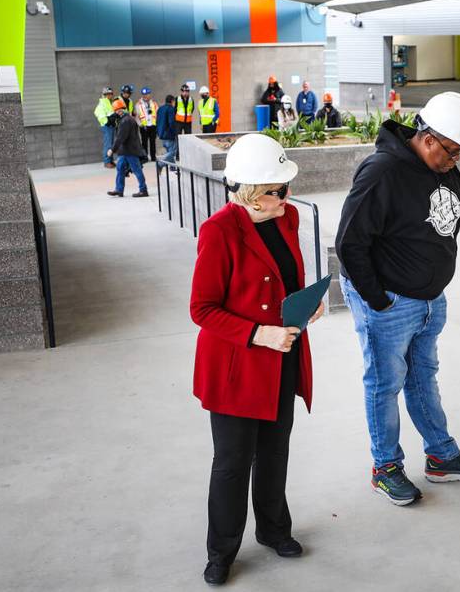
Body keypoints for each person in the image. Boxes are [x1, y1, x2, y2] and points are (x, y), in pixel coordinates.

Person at [335, 91, 460, 507]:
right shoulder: (381, 172)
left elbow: (445, 225)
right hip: (389, 303)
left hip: (429, 300)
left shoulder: (442, 167)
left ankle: (441, 456)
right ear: (427, 139)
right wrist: (378, 300)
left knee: (423, 377)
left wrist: (432, 278)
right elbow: (350, 243)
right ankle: (385, 467)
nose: (456, 160)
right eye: (452, 151)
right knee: (384, 384)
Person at [190, 133, 323, 586]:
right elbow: (202, 309)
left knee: (274, 453)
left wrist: (308, 305)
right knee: (231, 462)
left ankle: (273, 530)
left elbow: (284, 283)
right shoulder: (219, 231)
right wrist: (257, 333)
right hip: (237, 367)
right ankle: (221, 551)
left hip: (281, 359)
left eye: (286, 187)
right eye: (277, 190)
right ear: (250, 192)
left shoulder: (286, 220)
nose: (286, 195)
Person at [106, 99, 149, 198]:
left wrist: (112, 150)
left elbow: (120, 137)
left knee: (137, 170)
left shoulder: (126, 121)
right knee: (120, 168)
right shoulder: (126, 119)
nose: (116, 112)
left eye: (116, 110)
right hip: (125, 150)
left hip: (130, 150)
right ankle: (119, 190)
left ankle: (143, 190)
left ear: (120, 110)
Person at [94, 86, 117, 169]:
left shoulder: (108, 102)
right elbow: (97, 112)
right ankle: (107, 161)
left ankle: (110, 160)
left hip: (111, 125)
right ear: (105, 95)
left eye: (111, 94)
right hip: (107, 126)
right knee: (108, 144)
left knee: (110, 144)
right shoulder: (103, 102)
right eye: (108, 94)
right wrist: (106, 121)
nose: (110, 95)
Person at [136, 86, 158, 162]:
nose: (145, 96)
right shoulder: (138, 104)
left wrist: (156, 124)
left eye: (147, 94)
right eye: (144, 94)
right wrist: (140, 124)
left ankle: (153, 157)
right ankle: (145, 157)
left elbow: (157, 114)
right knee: (144, 143)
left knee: (153, 142)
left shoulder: (154, 103)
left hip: (152, 125)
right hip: (144, 126)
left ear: (150, 94)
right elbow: (136, 116)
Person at [156, 94, 179, 165]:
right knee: (173, 152)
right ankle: (160, 163)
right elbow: (171, 122)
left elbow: (157, 121)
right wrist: (175, 132)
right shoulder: (170, 109)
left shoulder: (160, 108)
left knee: (169, 150)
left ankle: (172, 167)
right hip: (169, 134)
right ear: (172, 101)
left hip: (161, 134)